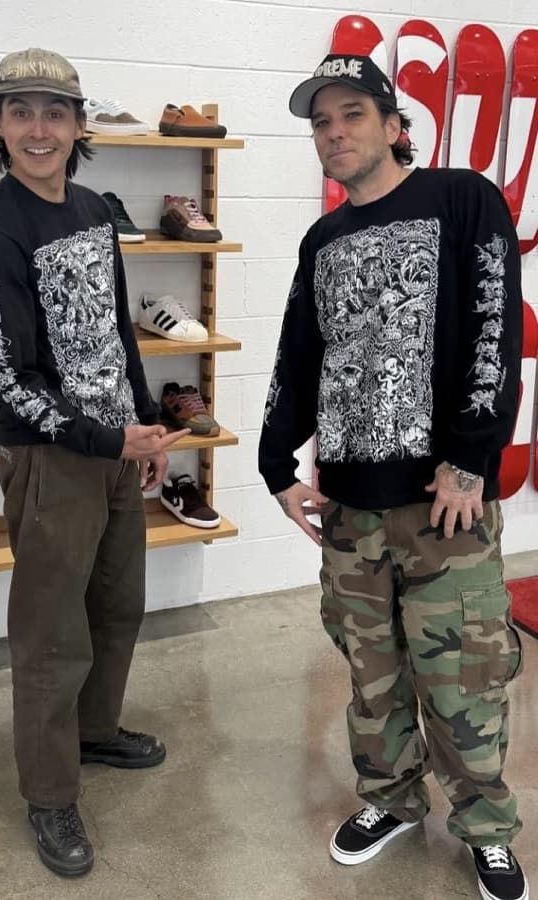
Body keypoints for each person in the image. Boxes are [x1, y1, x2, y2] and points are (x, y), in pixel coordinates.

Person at [258, 54, 527, 900]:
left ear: (393, 124)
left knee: (463, 679)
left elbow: (495, 331)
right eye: (321, 122)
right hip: (350, 507)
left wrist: (471, 459)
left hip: (444, 506)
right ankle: (392, 799)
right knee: (370, 674)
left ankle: (485, 827)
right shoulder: (323, 239)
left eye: (352, 115)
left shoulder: (463, 199)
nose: (335, 133)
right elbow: (299, 355)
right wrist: (275, 464)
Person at [0, 48, 189, 878]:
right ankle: (49, 794)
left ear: (80, 124)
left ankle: (93, 732)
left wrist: (143, 420)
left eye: (55, 112)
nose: (39, 129)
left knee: (117, 605)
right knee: (51, 636)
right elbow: (12, 383)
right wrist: (106, 440)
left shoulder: (90, 209)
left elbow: (116, 328)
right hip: (52, 460)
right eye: (21, 112)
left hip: (116, 444)